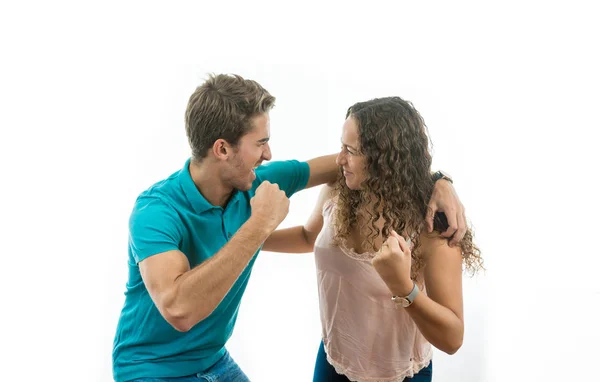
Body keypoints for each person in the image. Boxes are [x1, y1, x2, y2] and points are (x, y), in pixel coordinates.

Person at [112, 74, 467, 382]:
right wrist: (259, 224)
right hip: (150, 368)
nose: (269, 154)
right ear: (222, 148)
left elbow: (389, 160)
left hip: (212, 361)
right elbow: (179, 310)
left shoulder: (259, 180)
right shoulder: (155, 210)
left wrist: (440, 181)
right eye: (261, 143)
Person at [263, 96, 483, 382]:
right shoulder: (339, 187)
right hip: (334, 359)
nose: (339, 158)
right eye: (342, 146)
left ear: (384, 160)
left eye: (350, 150)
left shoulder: (431, 227)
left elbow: (453, 338)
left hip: (398, 373)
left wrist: (403, 287)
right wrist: (248, 239)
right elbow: (307, 237)